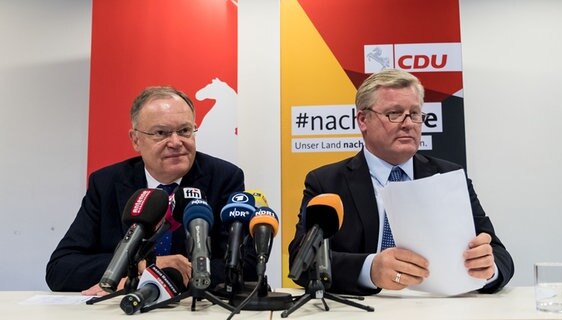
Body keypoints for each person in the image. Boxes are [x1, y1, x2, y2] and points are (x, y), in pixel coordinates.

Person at [288, 69, 514, 296]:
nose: (409, 124)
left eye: (415, 113)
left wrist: (488, 268)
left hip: (438, 308)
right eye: (394, 113)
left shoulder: (449, 176)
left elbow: (500, 256)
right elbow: (301, 261)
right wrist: (370, 269)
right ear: (363, 120)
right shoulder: (327, 181)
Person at [46, 86, 256, 295]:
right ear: (136, 139)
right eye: (161, 133)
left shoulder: (224, 178)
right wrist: (143, 267)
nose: (175, 142)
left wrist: (171, 274)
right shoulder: (107, 183)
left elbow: (245, 267)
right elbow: (60, 268)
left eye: (184, 131)